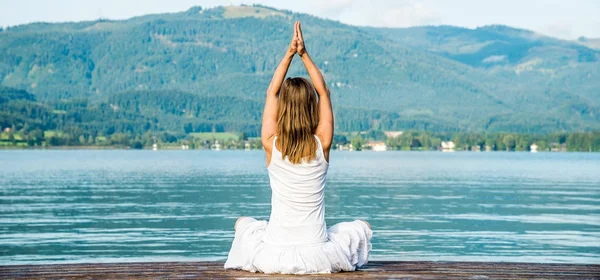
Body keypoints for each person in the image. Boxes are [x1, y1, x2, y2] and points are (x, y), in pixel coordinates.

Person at [224, 21, 372, 274]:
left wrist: (289, 53)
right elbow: (324, 92)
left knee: (243, 224)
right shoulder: (321, 143)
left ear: (283, 109)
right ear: (310, 107)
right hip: (317, 254)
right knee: (362, 227)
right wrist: (304, 54)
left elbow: (272, 92)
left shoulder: (271, 144)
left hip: (274, 255)